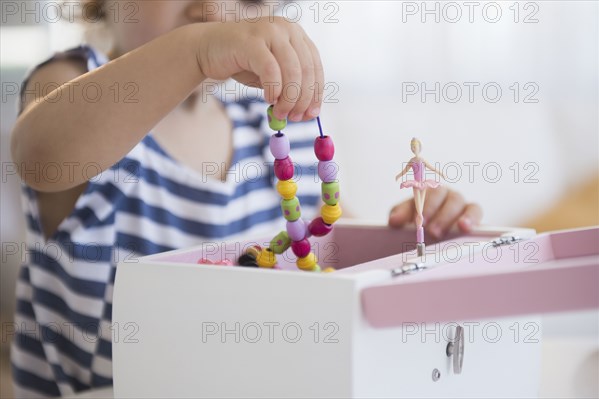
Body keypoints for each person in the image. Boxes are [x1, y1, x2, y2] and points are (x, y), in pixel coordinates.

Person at [9, 1, 482, 396]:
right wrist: (193, 51)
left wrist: (410, 240)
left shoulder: (275, 125)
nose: (215, 8)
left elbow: (330, 252)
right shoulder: (73, 85)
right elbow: (41, 155)